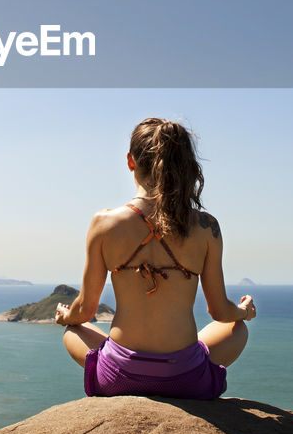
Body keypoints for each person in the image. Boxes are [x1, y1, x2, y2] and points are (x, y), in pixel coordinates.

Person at [56, 117, 256, 399]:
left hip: (117, 378)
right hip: (186, 379)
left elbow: (85, 312)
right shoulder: (205, 227)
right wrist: (244, 312)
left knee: (72, 331)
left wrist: (67, 316)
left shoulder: (103, 224)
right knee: (238, 329)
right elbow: (221, 312)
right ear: (186, 166)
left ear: (130, 161)